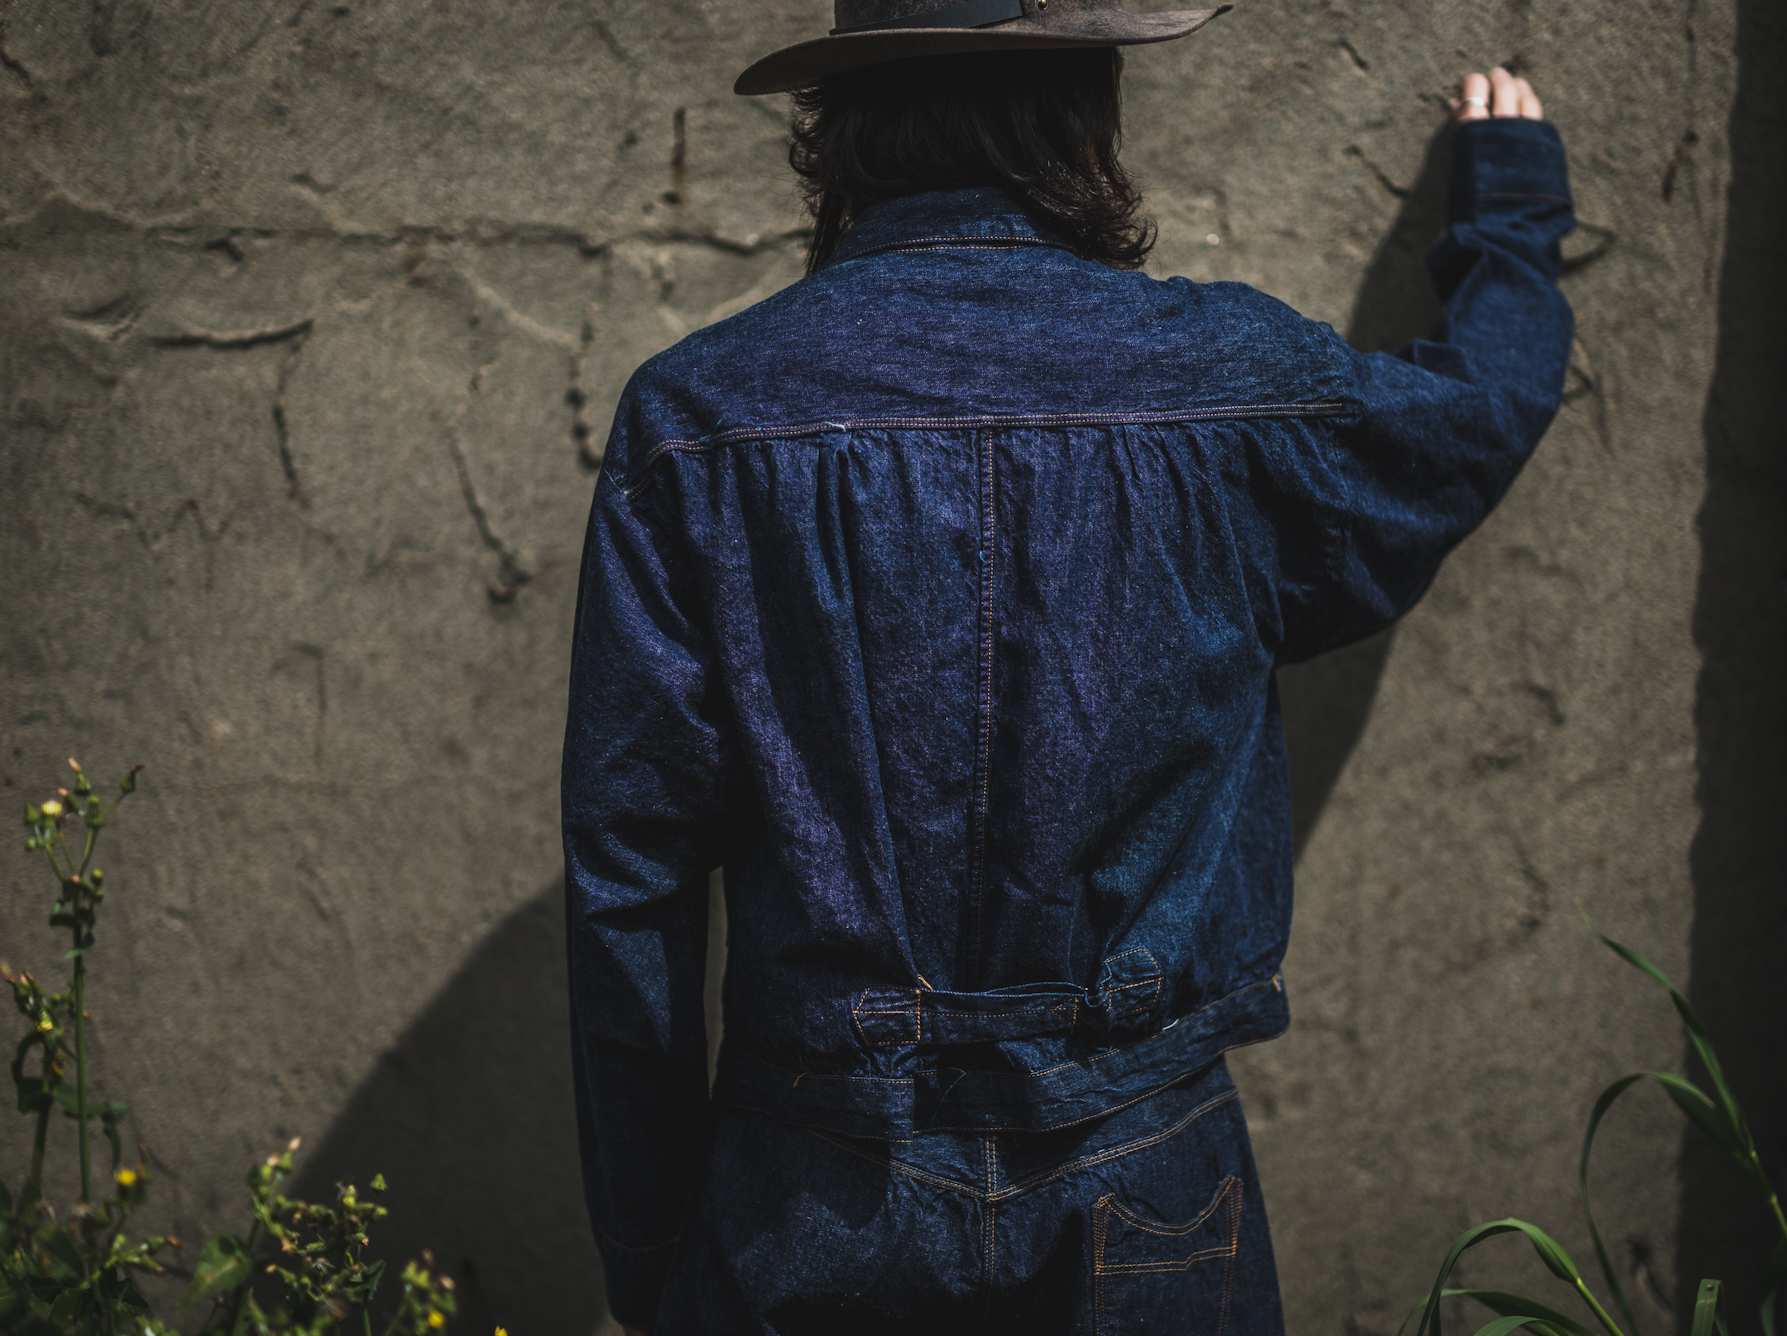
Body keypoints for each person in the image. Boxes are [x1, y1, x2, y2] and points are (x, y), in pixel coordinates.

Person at [561, 0, 1570, 1327]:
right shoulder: (1229, 381)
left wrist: (651, 1252)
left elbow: (628, 878)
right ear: (1082, 116)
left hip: (805, 1184)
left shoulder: (698, 419)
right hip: (1142, 1167)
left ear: (840, 127)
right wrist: (1510, 212)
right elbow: (1470, 422)